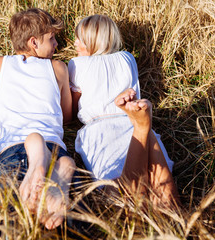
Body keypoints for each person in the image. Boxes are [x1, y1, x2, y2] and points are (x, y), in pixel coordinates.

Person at [68, 15, 179, 206]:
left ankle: (143, 128)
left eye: (79, 38)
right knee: (156, 184)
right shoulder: (127, 58)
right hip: (128, 118)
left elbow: (72, 106)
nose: (75, 42)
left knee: (117, 193)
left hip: (101, 130)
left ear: (93, 41)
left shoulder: (77, 64)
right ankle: (144, 128)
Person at [0, 8, 76, 229]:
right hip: (54, 147)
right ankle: (61, 170)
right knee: (65, 226)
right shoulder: (58, 68)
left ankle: (39, 161)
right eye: (52, 38)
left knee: (8, 224)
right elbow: (66, 116)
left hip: (12, 149)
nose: (57, 44)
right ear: (34, 42)